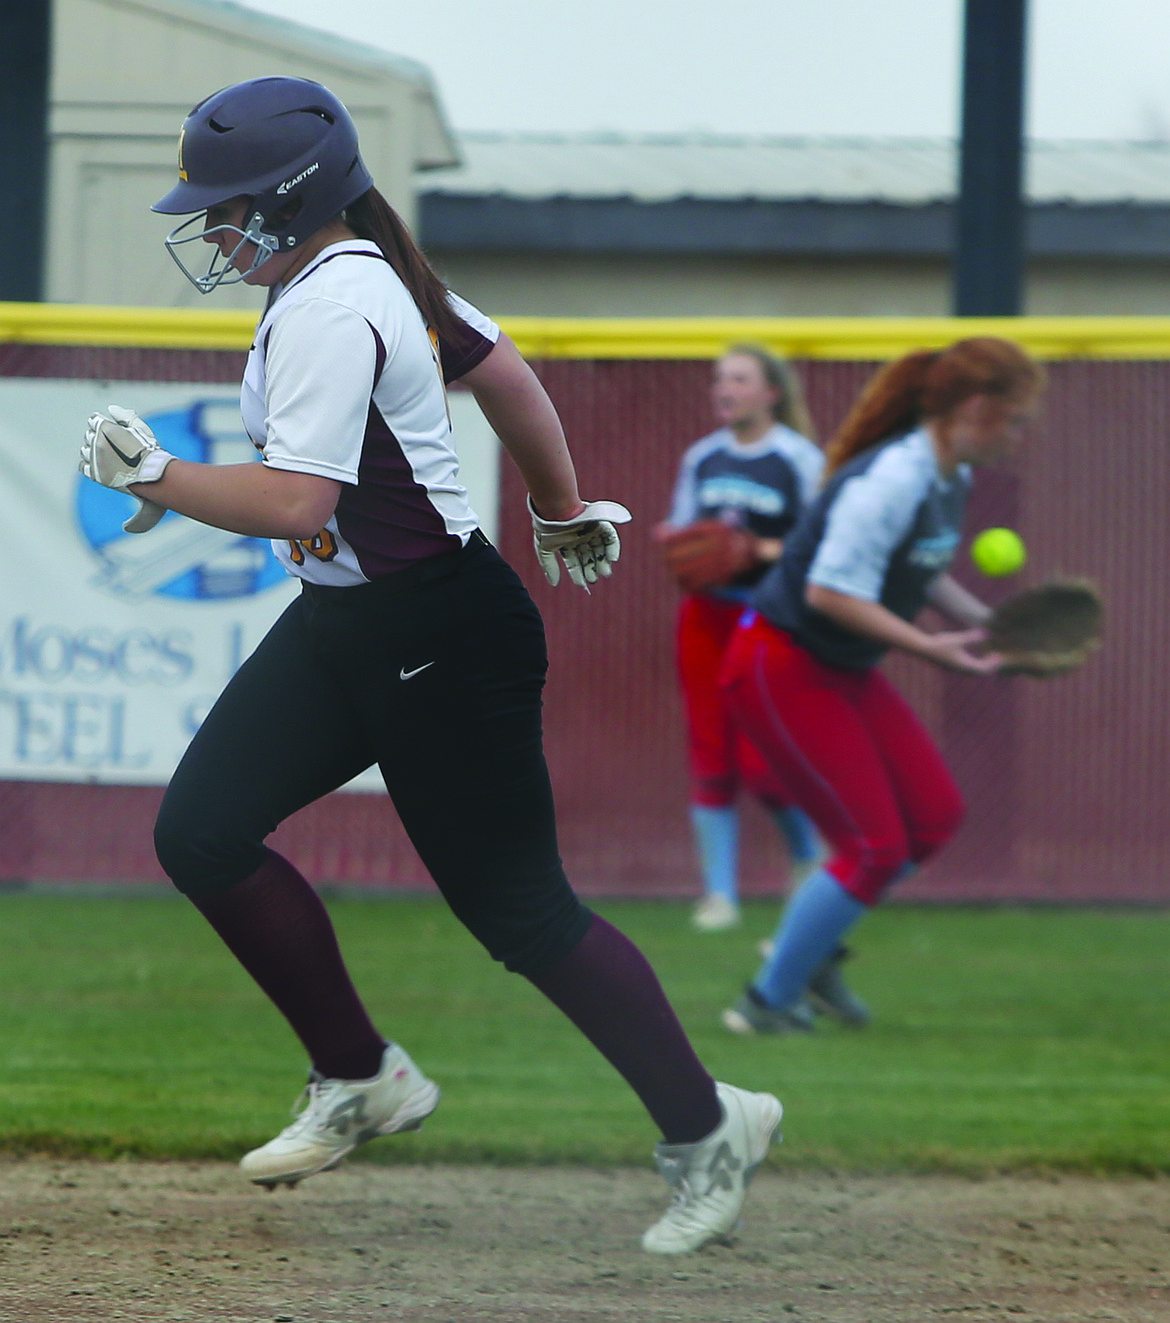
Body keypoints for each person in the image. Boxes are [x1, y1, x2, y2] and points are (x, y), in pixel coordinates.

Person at [76, 77, 780, 1255]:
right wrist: (556, 507)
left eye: (229, 204)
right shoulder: (361, 272)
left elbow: (299, 498)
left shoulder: (335, 299)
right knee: (200, 832)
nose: (211, 226)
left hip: (440, 635)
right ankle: (361, 1076)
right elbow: (502, 374)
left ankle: (711, 1124)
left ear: (295, 196)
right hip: (356, 619)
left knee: (521, 914)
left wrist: (157, 478)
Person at [716, 338, 1045, 1035]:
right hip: (781, 662)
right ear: (979, 408)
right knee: (873, 847)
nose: (1019, 436)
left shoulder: (945, 475)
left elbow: (915, 569)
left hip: (839, 665)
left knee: (933, 815)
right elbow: (830, 591)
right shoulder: (896, 475)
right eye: (1015, 420)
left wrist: (989, 624)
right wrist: (932, 649)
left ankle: (813, 948)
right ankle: (766, 1001)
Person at [658, 347, 825, 934]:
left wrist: (756, 551)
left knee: (767, 760)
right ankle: (720, 896)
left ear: (770, 392)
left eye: (738, 378)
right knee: (711, 750)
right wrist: (684, 547)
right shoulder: (703, 457)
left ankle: (808, 859)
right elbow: (681, 535)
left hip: (769, 616)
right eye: (718, 378)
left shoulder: (797, 459)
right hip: (706, 618)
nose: (723, 388)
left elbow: (820, 547)